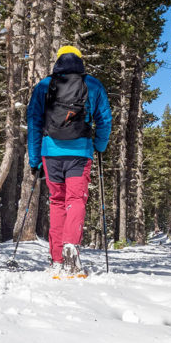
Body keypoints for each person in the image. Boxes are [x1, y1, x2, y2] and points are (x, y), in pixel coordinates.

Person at [26, 45, 112, 274]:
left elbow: (34, 122)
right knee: (76, 199)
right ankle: (71, 245)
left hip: (50, 153)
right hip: (79, 152)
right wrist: (99, 145)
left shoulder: (44, 85)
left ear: (58, 60)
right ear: (80, 61)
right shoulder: (92, 84)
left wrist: (34, 159)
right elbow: (104, 118)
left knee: (57, 202)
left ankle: (56, 258)